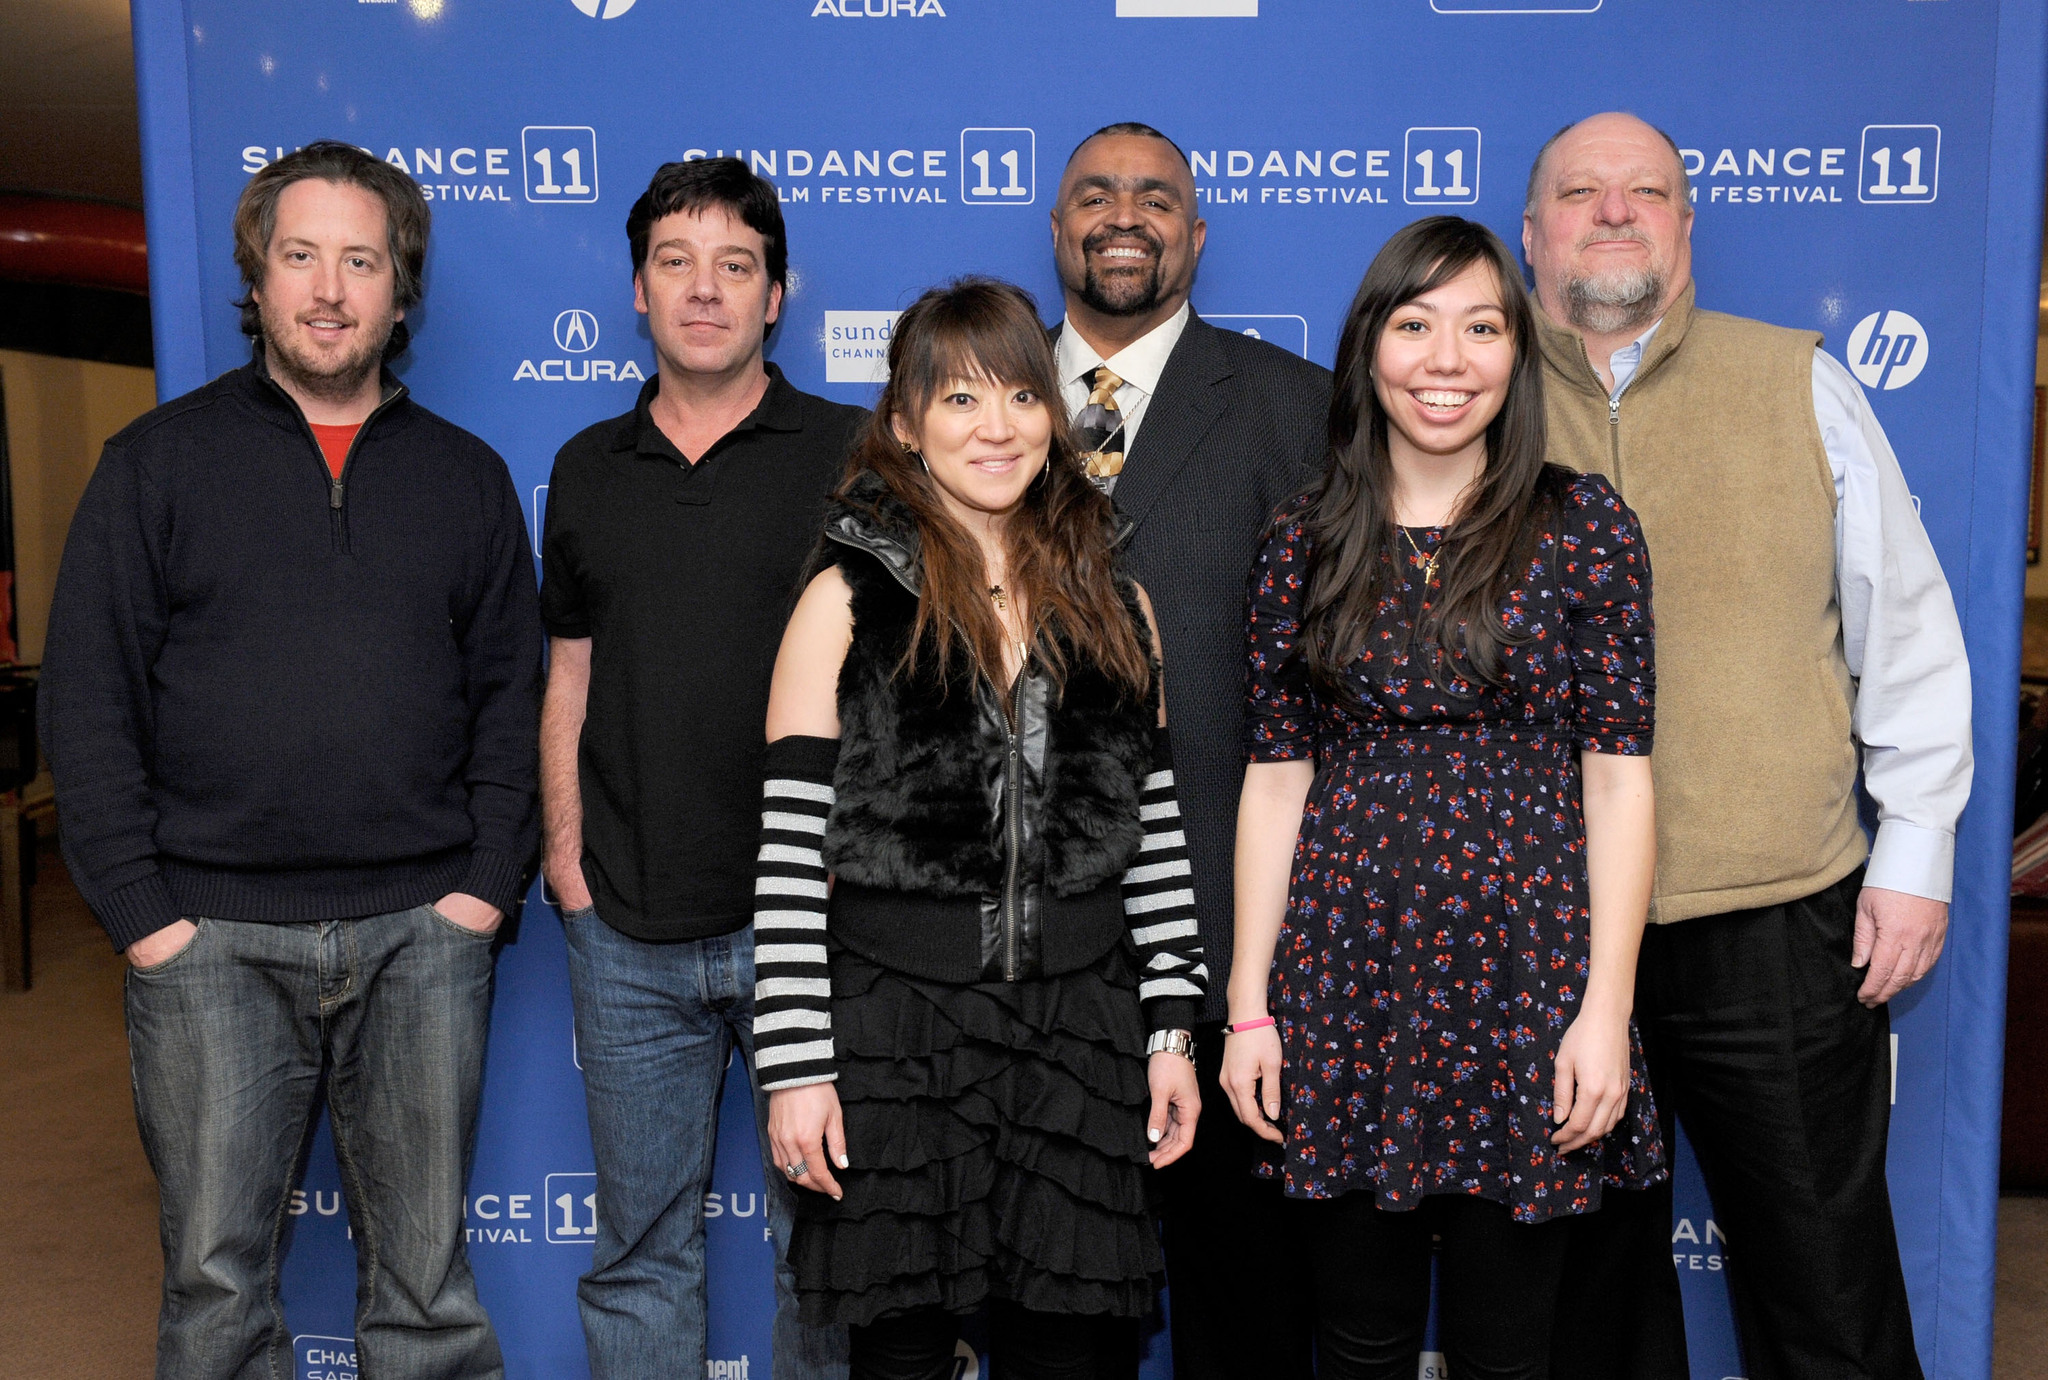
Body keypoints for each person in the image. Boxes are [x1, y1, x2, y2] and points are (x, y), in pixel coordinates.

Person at [41, 140, 538, 1379]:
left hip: (424, 935)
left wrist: (479, 892)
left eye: (359, 261)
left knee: (426, 1290)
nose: (328, 289)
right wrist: (147, 917)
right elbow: (90, 701)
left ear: (399, 292)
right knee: (216, 1290)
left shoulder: (466, 480)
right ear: (255, 282)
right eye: (299, 256)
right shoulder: (152, 466)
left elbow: (510, 702)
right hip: (208, 940)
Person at [1525, 113, 1974, 1380]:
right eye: (1579, 191)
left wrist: (1916, 850)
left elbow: (1908, 633)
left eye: (1646, 191)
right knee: (1581, 1306)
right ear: (1529, 233)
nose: (1614, 212)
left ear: (1683, 224)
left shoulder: (1797, 381)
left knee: (1822, 1285)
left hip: (1774, 919)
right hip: (1542, 933)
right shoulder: (1466, 400)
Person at [1218, 215, 1664, 1380]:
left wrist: (1603, 1010)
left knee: (1509, 1351)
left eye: (1480, 327)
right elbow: (1274, 781)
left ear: (1517, 353)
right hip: (1342, 981)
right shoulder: (1301, 542)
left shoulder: (1582, 529)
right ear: (1368, 346)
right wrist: (1250, 1005)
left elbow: (1618, 780)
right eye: (1414, 325)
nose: (1445, 359)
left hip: (1529, 986)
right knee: (1354, 1343)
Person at [751, 277, 1207, 1380]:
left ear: (1053, 414)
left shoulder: (1117, 598)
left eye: (1018, 395)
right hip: (895, 1043)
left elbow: (1150, 838)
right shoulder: (843, 599)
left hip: (1080, 1038)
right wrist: (795, 1066)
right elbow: (784, 861)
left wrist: (1170, 1028)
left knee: (1074, 1358)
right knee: (901, 1358)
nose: (994, 428)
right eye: (957, 401)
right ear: (905, 425)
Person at [538, 157, 863, 1380]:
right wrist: (564, 859)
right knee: (640, 1253)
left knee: (825, 1254)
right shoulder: (583, 467)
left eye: (737, 266)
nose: (706, 291)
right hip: (625, 925)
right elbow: (565, 669)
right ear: (637, 291)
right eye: (677, 263)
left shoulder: (853, 451)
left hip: (815, 925)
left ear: (776, 296)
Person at [1048, 120, 1330, 1379]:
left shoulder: (1294, 411)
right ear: (1054, 227)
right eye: (1096, 194)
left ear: (1196, 235)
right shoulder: (964, 406)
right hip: (1021, 971)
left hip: (1231, 950)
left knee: (1245, 1312)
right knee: (1056, 1322)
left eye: (1155, 197)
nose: (1124, 214)